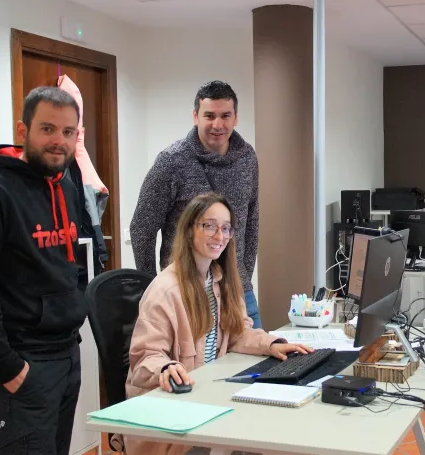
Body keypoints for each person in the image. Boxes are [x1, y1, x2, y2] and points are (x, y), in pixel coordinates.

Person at [123, 192, 312, 455]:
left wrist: (271, 344)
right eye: (209, 226)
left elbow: (237, 333)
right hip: (172, 418)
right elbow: (145, 356)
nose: (219, 236)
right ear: (190, 230)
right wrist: (165, 367)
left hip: (209, 400)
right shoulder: (165, 290)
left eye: (226, 228)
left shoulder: (220, 279)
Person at [0, 86, 87, 455]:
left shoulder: (67, 184)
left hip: (66, 352)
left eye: (68, 132)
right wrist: (6, 367)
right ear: (22, 130)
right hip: (24, 361)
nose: (58, 140)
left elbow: (72, 264)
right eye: (47, 129)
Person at [130, 80, 263, 328]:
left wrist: (242, 274)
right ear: (195, 116)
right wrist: (152, 288)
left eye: (225, 116)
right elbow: (142, 229)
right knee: (197, 355)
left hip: (238, 291)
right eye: (209, 116)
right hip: (187, 293)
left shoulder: (247, 158)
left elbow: (251, 222)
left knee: (256, 351)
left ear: (236, 118)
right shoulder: (172, 161)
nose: (217, 125)